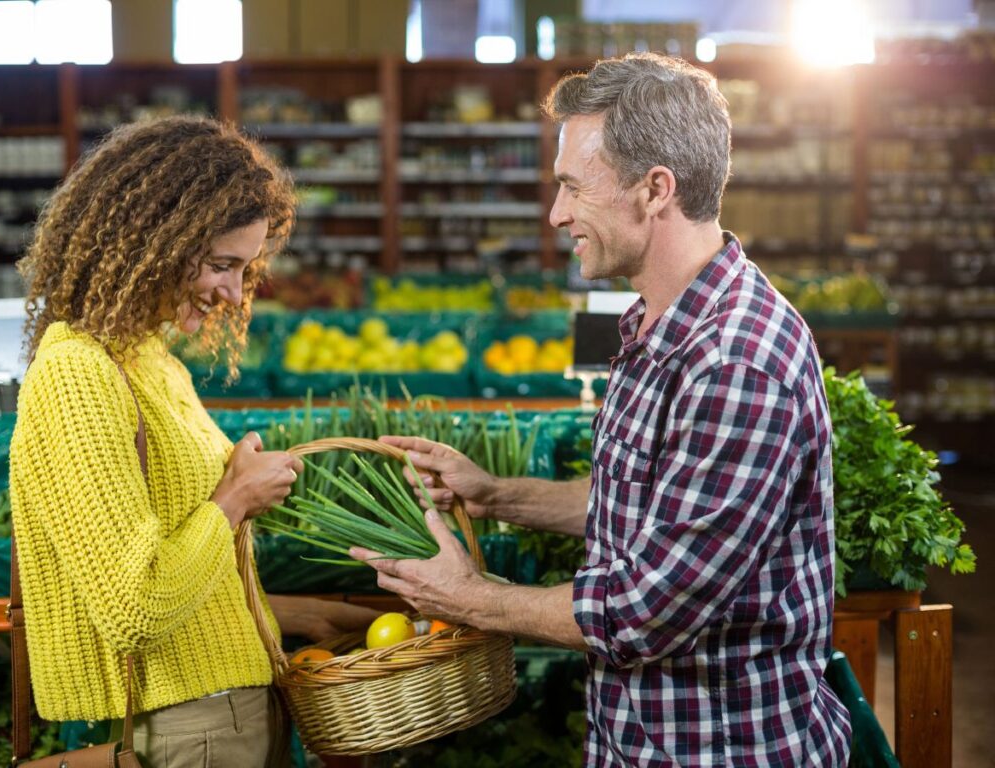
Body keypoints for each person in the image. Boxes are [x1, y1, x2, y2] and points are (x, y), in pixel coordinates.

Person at [353, 53, 852, 766]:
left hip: (722, 749)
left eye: (572, 188)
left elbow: (646, 610)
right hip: (640, 740)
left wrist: (470, 598)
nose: (556, 214)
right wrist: (497, 496)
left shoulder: (736, 361)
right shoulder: (657, 323)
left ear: (655, 190)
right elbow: (642, 509)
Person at [9, 116, 378, 767]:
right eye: (220, 264)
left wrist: (297, 613)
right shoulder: (77, 372)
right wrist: (234, 498)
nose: (235, 294)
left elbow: (184, 566)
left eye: (246, 268)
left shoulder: (150, 358)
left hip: (227, 711)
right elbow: (136, 606)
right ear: (149, 240)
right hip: (189, 728)